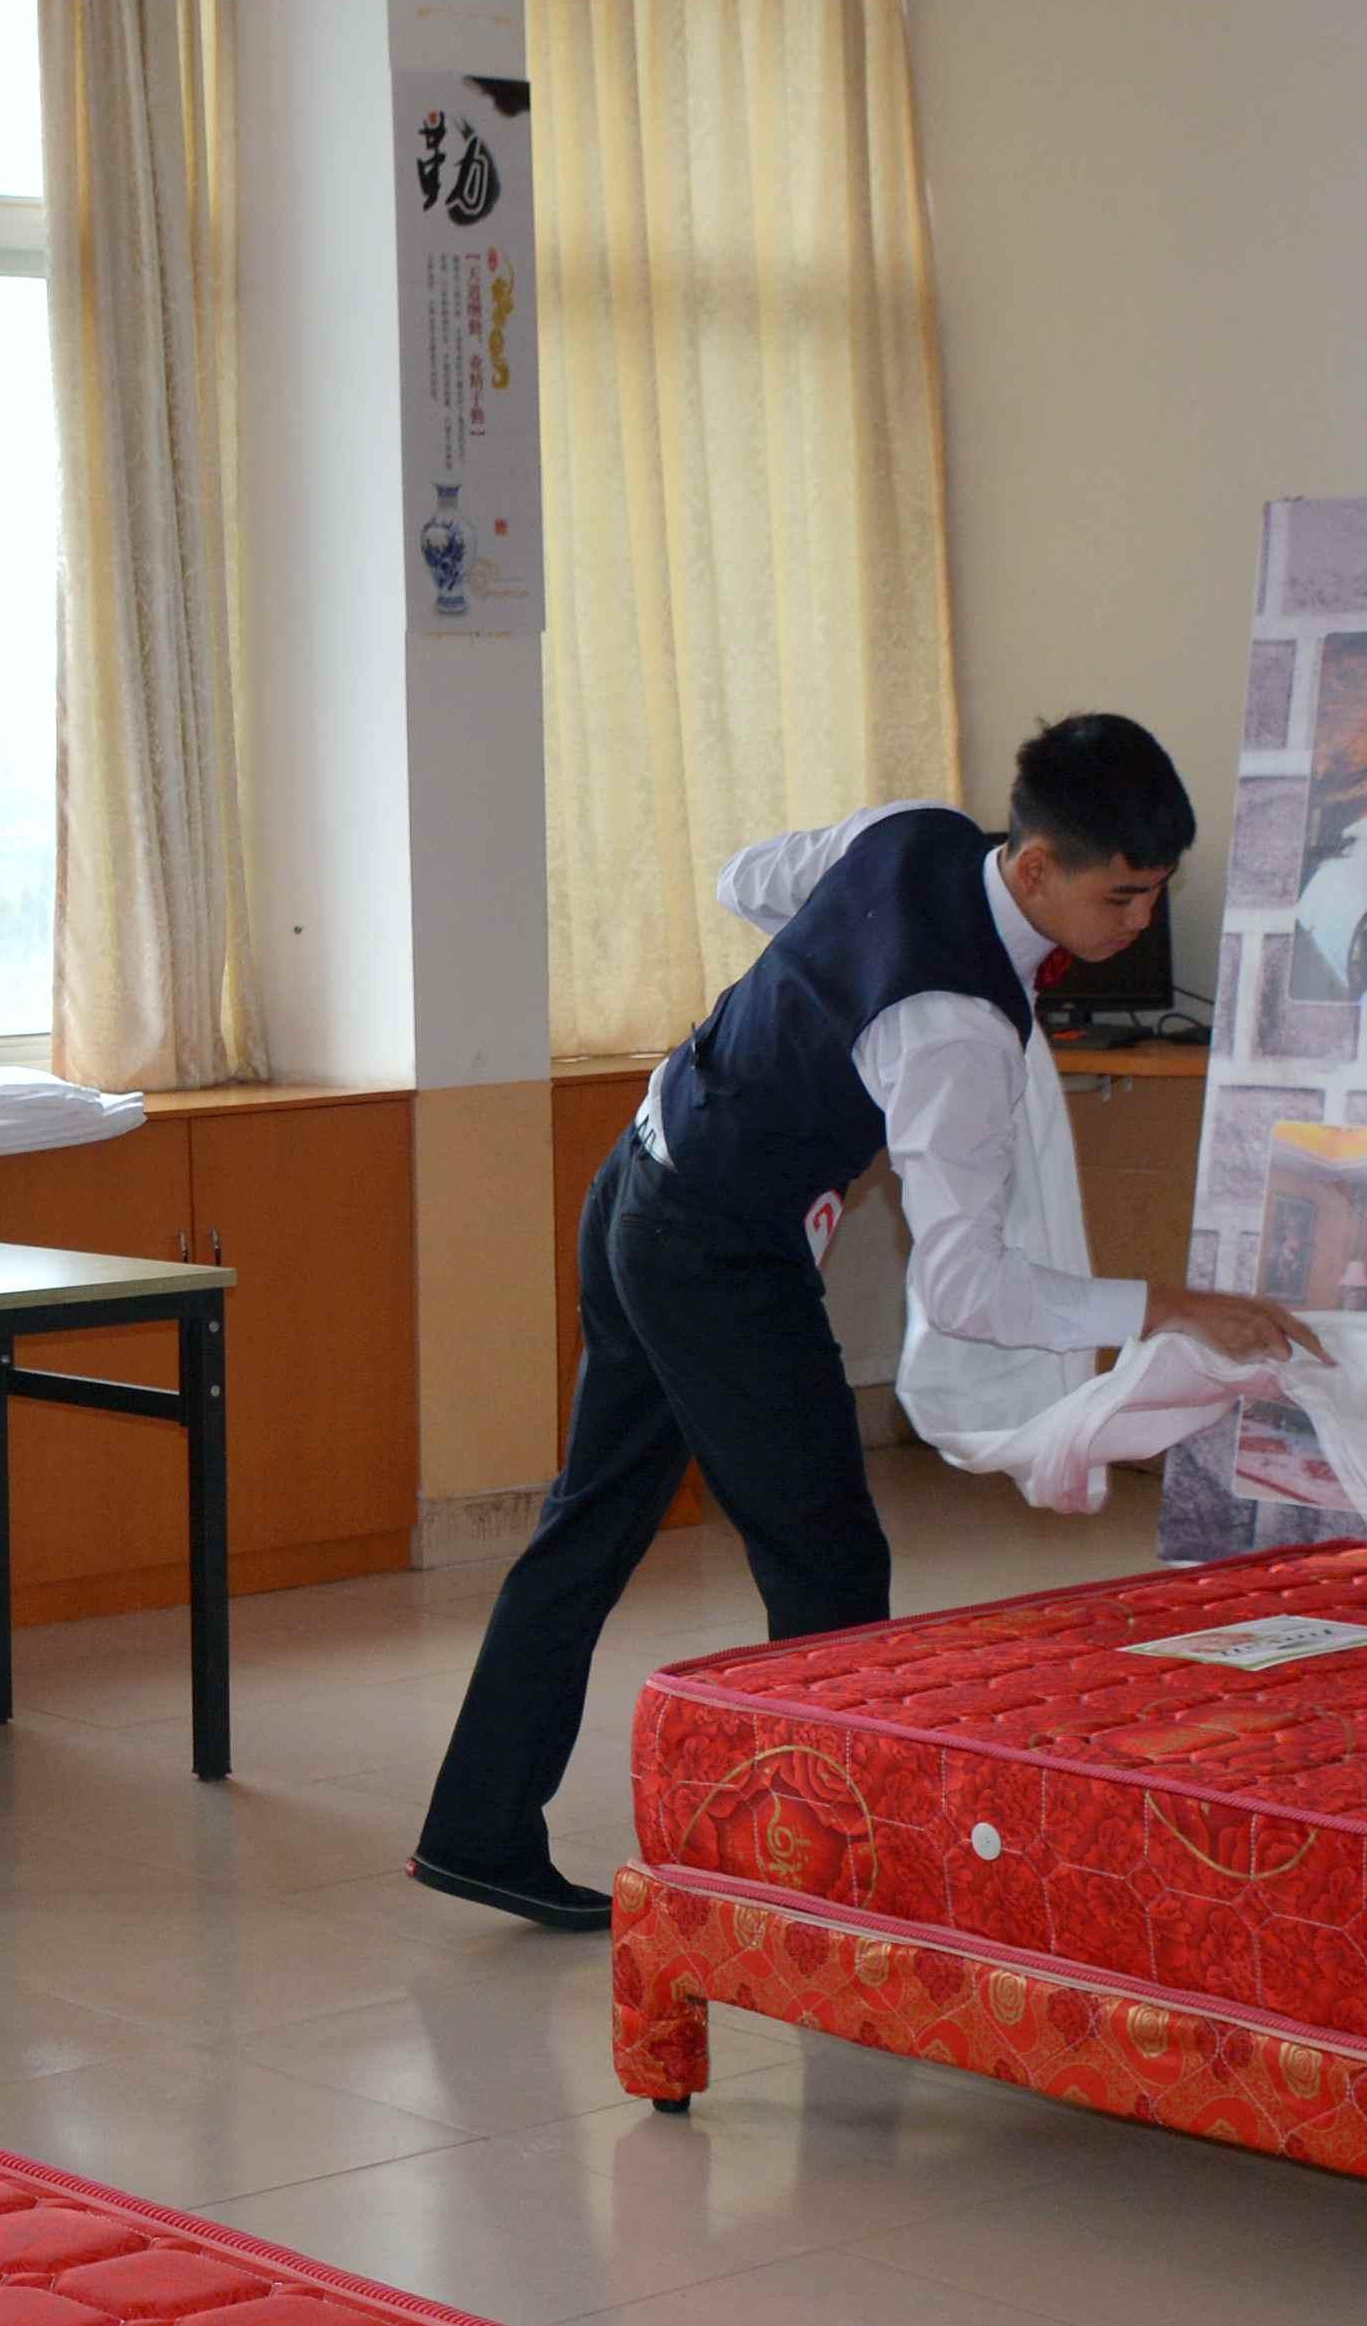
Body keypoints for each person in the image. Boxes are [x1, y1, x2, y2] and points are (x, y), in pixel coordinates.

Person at [409, 715, 1315, 1930]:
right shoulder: (950, 1031)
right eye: (1123, 895)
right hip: (714, 1250)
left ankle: (478, 1830)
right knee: (828, 1560)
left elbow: (747, 878)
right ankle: (818, 1885)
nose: (1142, 922)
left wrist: (820, 999)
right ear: (1036, 866)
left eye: (1159, 892)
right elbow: (971, 1289)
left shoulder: (911, 835)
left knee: (597, 1520)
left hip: (642, 1173)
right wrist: (1169, 1307)